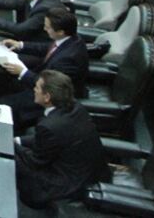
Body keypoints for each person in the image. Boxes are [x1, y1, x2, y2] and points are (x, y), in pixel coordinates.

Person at [15, 71, 108, 208]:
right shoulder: (76, 107)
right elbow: (55, 140)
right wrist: (18, 140)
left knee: (12, 159)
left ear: (47, 97)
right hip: (89, 172)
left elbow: (35, 161)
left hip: (68, 182)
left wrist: (10, 145)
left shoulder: (49, 126)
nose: (34, 89)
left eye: (37, 87)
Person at [0, 10, 89, 127]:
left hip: (51, 97)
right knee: (1, 80)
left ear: (61, 31)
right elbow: (49, 47)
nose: (45, 29)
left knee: (3, 104)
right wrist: (20, 45)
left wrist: (23, 72)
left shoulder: (68, 60)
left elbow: (51, 86)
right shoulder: (71, 38)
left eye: (48, 27)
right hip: (40, 80)